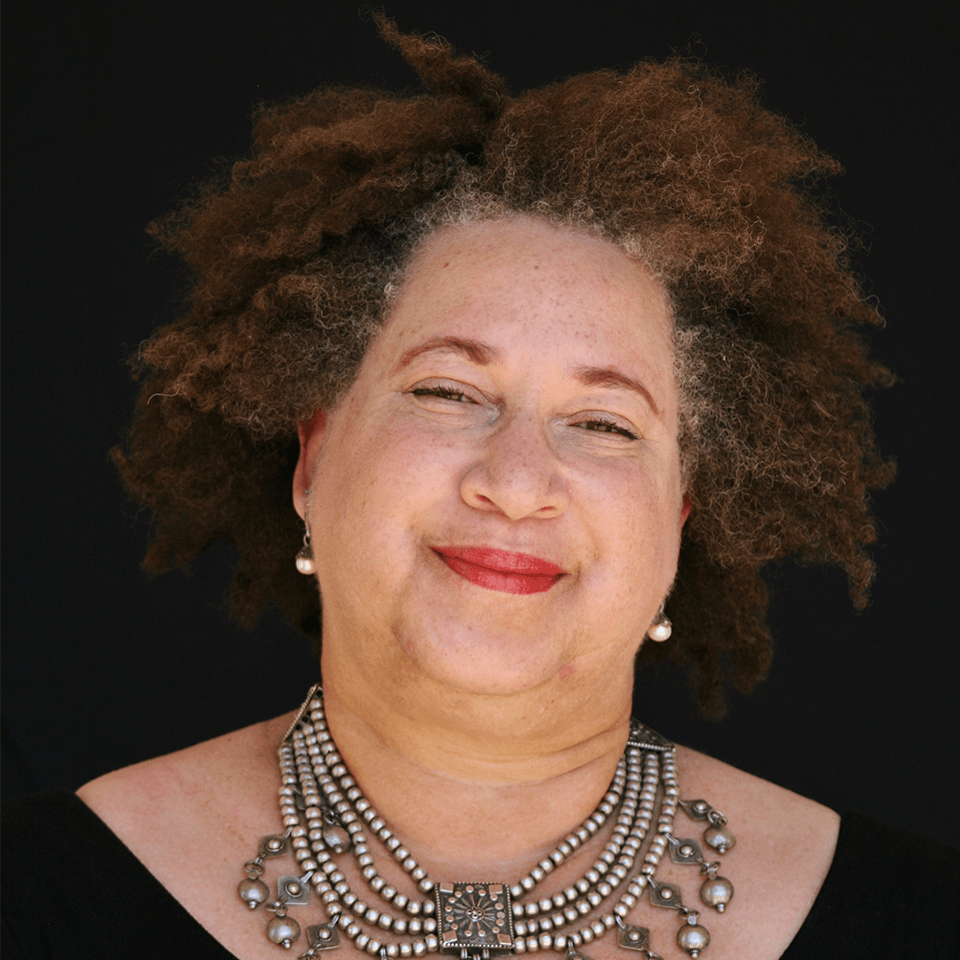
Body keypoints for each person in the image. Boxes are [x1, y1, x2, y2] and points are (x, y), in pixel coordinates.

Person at [3, 15, 956, 960]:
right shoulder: (36, 896)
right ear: (312, 460)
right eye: (449, 392)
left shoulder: (920, 920)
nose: (517, 481)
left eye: (605, 423)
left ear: (677, 517)